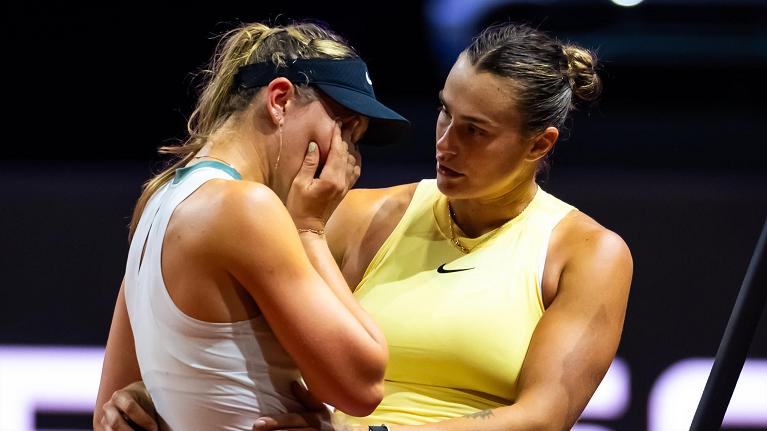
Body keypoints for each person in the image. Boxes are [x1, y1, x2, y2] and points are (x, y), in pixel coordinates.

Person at [103, 22, 633, 431]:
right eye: (444, 112)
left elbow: (543, 419)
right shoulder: (356, 215)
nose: (445, 143)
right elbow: (222, 324)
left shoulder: (587, 252)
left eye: (475, 131)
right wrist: (149, 392)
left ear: (539, 144)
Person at [93, 21, 411, 431]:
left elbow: (109, 412)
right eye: (345, 128)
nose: (348, 158)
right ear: (280, 100)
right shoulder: (246, 207)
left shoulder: (158, 201)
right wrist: (309, 228)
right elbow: (362, 386)